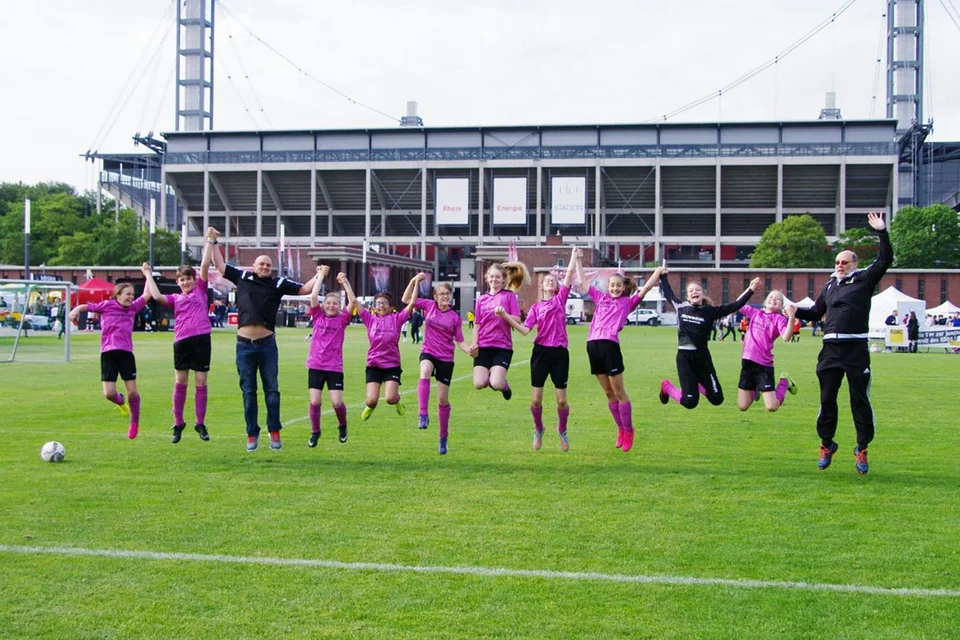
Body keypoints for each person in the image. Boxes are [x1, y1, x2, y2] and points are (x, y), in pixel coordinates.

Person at [794, 211, 891, 475]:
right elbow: (815, 313)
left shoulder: (864, 279)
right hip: (830, 350)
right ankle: (827, 444)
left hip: (855, 349)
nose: (839, 265)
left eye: (844, 262)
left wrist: (881, 232)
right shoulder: (829, 286)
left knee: (859, 399)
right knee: (827, 399)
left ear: (854, 264)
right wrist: (792, 311)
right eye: (837, 261)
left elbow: (885, 260)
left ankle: (861, 448)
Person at [207, 226, 317, 452]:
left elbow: (306, 289)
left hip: (267, 345)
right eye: (261, 264)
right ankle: (251, 433)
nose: (265, 267)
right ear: (254, 266)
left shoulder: (278, 284)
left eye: (268, 264)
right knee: (248, 391)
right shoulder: (243, 276)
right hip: (244, 346)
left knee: (272, 390)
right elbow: (219, 265)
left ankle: (274, 430)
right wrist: (213, 242)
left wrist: (320, 274)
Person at [496, 247, 579, 452]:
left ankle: (562, 429)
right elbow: (525, 330)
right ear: (542, 286)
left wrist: (574, 257)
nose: (551, 282)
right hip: (540, 353)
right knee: (535, 400)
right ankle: (538, 429)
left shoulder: (560, 300)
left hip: (559, 354)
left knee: (561, 401)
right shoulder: (535, 308)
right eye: (547, 281)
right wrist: (506, 316)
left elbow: (569, 275)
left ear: (557, 287)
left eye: (554, 281)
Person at [575, 259, 661, 453]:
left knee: (619, 392)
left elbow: (646, 287)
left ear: (623, 288)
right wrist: (578, 258)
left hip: (610, 347)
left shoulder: (627, 302)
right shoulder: (600, 297)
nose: (614, 288)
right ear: (608, 286)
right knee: (608, 393)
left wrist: (657, 271)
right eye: (612, 285)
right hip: (593, 347)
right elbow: (581, 281)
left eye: (618, 285)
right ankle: (620, 429)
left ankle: (629, 430)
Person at [141, 241, 215, 444]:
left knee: (201, 381)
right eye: (182, 280)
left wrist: (209, 241)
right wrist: (148, 274)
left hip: (201, 340)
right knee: (180, 382)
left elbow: (205, 265)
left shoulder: (200, 290)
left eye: (188, 279)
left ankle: (200, 423)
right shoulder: (175, 298)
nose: (185, 283)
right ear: (178, 282)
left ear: (194, 279)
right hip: (182, 341)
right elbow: (155, 296)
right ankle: (178, 422)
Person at [659, 270, 760, 410]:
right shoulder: (681, 307)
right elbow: (667, 292)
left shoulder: (710, 311)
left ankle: (700, 384)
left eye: (697, 290)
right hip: (684, 358)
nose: (695, 292)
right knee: (690, 402)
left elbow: (735, 305)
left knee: (717, 399)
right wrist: (663, 276)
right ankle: (666, 386)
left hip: (702, 358)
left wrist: (751, 289)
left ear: (702, 294)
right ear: (688, 297)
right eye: (691, 291)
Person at [69, 280, 152, 439]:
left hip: (126, 353)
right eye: (128, 294)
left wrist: (147, 275)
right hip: (108, 353)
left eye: (132, 295)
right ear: (118, 295)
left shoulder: (133, 308)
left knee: (133, 392)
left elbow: (147, 295)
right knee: (109, 393)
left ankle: (134, 423)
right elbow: (86, 307)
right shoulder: (107, 305)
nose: (131, 297)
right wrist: (76, 310)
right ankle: (120, 402)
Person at [401, 274, 473, 454]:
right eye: (441, 294)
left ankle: (443, 438)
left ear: (450, 296)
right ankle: (423, 414)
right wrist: (413, 281)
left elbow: (460, 341)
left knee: (442, 399)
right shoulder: (428, 305)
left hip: (446, 358)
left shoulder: (455, 317)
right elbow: (405, 299)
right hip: (429, 352)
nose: (444, 296)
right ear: (435, 296)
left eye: (447, 293)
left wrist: (469, 349)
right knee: (424, 370)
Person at [305, 266, 354, 447]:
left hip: (334, 367)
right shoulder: (317, 316)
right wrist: (321, 276)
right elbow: (313, 296)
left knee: (336, 402)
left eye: (335, 304)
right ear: (324, 305)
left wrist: (345, 283)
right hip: (316, 365)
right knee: (315, 401)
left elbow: (353, 302)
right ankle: (315, 431)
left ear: (339, 307)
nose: (331, 306)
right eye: (328, 303)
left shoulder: (342, 320)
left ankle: (342, 425)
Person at [469, 261, 529, 402]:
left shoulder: (509, 296)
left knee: (496, 383)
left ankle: (504, 386)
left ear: (503, 280)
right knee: (479, 383)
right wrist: (474, 345)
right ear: (487, 278)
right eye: (492, 277)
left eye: (497, 277)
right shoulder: (481, 299)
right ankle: (493, 375)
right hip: (483, 346)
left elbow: (517, 320)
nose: (494, 280)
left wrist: (504, 315)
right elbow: (477, 324)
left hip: (502, 347)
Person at [359, 289, 417, 422]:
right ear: (374, 307)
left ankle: (398, 402)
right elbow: (355, 302)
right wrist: (345, 283)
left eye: (384, 303)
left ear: (391, 307)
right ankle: (370, 406)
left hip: (392, 365)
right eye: (378, 303)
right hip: (374, 364)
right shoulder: (369, 319)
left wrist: (416, 282)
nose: (381, 306)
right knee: (371, 401)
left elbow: (412, 303)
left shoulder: (397, 319)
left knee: (390, 398)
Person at [736, 291, 798, 413]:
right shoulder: (755, 313)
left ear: (781, 306)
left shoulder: (779, 319)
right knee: (743, 406)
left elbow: (786, 337)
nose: (773, 299)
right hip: (747, 362)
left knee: (772, 406)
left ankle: (785, 381)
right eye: (770, 297)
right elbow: (738, 303)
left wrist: (791, 317)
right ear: (765, 301)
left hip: (763, 365)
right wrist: (750, 288)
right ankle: (756, 389)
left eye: (778, 299)